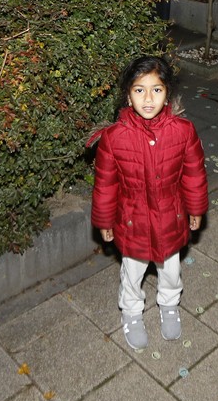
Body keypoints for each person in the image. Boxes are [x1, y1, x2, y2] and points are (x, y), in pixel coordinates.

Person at [89, 56, 209, 349]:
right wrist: (104, 221)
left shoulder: (183, 131)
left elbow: (194, 174)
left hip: (171, 217)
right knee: (133, 272)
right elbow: (105, 185)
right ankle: (131, 311)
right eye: (139, 90)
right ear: (128, 96)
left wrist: (196, 209)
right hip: (133, 222)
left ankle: (169, 303)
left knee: (171, 270)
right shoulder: (114, 138)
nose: (148, 98)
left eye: (156, 89)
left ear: (167, 94)